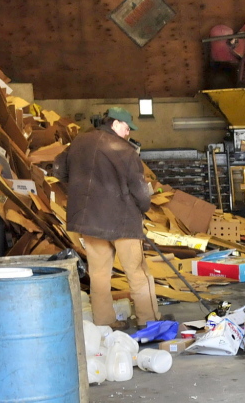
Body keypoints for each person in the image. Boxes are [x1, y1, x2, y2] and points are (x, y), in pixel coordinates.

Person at [54, 107, 158, 330]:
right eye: (127, 127)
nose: (128, 132)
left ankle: (105, 322)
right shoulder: (125, 150)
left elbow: (58, 170)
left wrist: (80, 191)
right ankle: (149, 321)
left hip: (89, 220)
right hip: (123, 222)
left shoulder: (78, 143)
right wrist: (144, 206)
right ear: (115, 124)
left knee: (99, 274)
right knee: (137, 273)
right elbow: (140, 190)